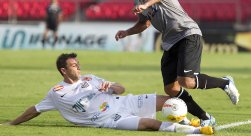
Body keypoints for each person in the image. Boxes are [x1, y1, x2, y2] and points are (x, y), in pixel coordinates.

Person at [115, 0, 240, 126]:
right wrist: (127, 32)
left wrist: (146, 4)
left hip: (187, 33)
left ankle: (225, 82)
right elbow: (144, 23)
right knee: (171, 88)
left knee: (187, 81)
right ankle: (206, 118)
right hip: (169, 42)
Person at [0, 53, 214, 135]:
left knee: (171, 100)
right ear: (64, 71)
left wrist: (111, 87)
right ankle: (193, 131)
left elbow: (121, 88)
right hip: (110, 118)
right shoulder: (57, 92)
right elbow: (35, 110)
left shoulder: (90, 78)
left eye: (78, 63)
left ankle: (186, 119)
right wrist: (12, 123)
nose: (79, 67)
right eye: (74, 65)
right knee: (149, 124)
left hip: (123, 101)